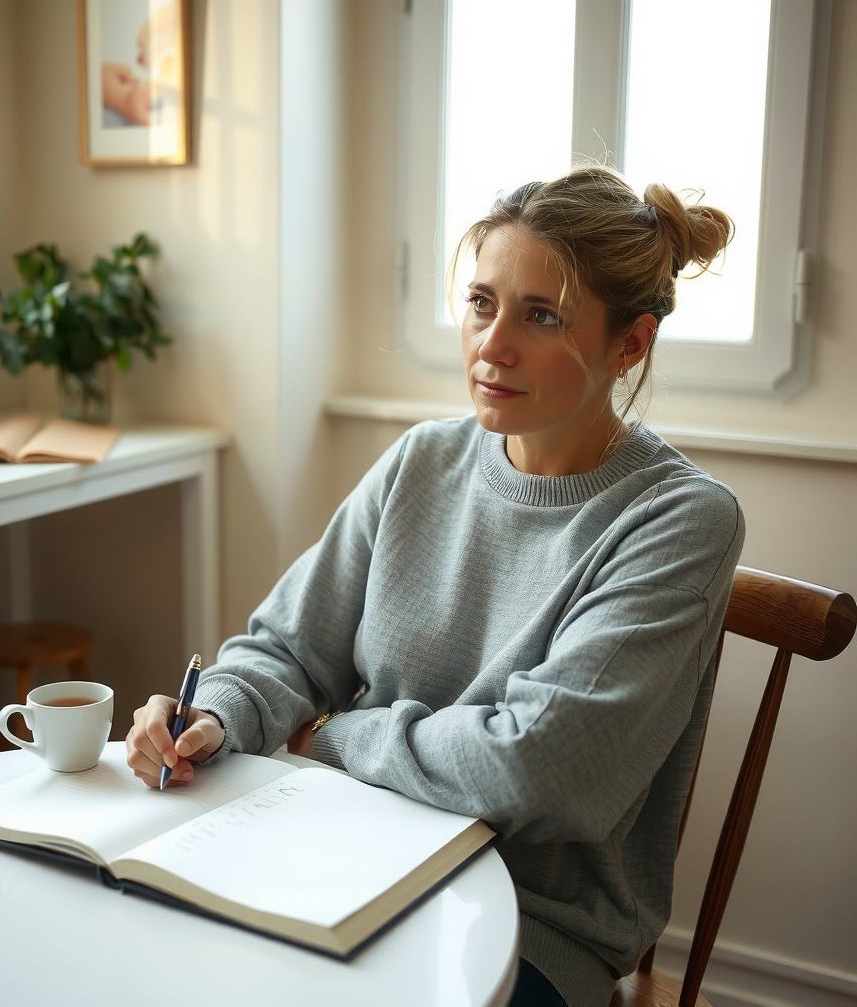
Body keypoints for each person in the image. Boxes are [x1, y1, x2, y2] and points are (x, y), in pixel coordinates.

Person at [125, 165, 744, 1007]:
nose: (492, 344)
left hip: (531, 925)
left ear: (628, 344)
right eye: (483, 302)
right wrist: (218, 711)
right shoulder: (424, 460)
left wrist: (334, 737)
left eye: (543, 316)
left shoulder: (682, 521)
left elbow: (534, 768)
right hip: (339, 853)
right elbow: (285, 648)